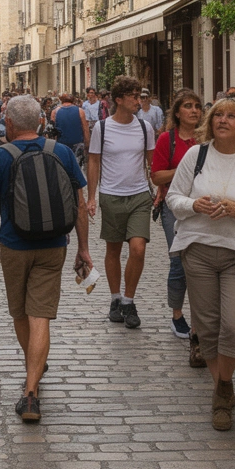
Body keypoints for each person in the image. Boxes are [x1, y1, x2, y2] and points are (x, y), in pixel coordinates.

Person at [0, 95, 91, 424]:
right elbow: (79, 205)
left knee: (21, 313)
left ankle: (31, 380)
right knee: (41, 318)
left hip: (13, 246)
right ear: (40, 122)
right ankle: (32, 390)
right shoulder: (62, 152)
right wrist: (84, 248)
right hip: (54, 246)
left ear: (8, 123)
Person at [164, 97, 235, 431]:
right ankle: (222, 388)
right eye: (218, 116)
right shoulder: (195, 155)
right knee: (209, 327)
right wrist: (194, 204)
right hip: (198, 250)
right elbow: (173, 198)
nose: (223, 121)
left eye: (231, 116)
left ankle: (223, 383)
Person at [86, 75, 156, 329]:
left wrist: (158, 188)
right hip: (111, 194)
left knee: (138, 248)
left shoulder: (144, 128)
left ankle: (129, 299)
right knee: (113, 250)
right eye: (134, 96)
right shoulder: (103, 128)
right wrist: (91, 197)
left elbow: (151, 161)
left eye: (140, 96)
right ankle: (115, 298)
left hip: (139, 195)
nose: (139, 101)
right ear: (119, 100)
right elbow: (94, 161)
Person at [150, 90, 204, 363]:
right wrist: (186, 166)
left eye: (197, 106)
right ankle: (177, 315)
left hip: (204, 206)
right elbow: (157, 175)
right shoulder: (166, 140)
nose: (194, 111)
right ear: (177, 112)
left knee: (200, 261)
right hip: (173, 205)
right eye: (188, 106)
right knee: (178, 260)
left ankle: (202, 318)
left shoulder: (207, 139)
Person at [51, 93, 89, 165]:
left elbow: (52, 131)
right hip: (77, 144)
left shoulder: (55, 111)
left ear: (62, 101)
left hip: (61, 144)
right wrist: (87, 145)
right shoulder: (80, 111)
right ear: (73, 101)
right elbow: (85, 129)